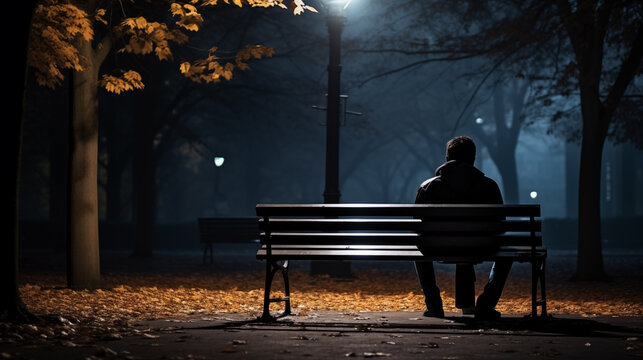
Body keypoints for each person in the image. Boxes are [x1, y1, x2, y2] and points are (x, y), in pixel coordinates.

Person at [414, 135, 511, 321]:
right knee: (507, 253)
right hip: (481, 246)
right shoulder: (489, 186)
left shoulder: (428, 187)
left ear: (447, 159)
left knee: (420, 246)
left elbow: (417, 224)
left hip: (436, 246)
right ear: (473, 159)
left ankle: (434, 305)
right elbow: (501, 223)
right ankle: (486, 305)